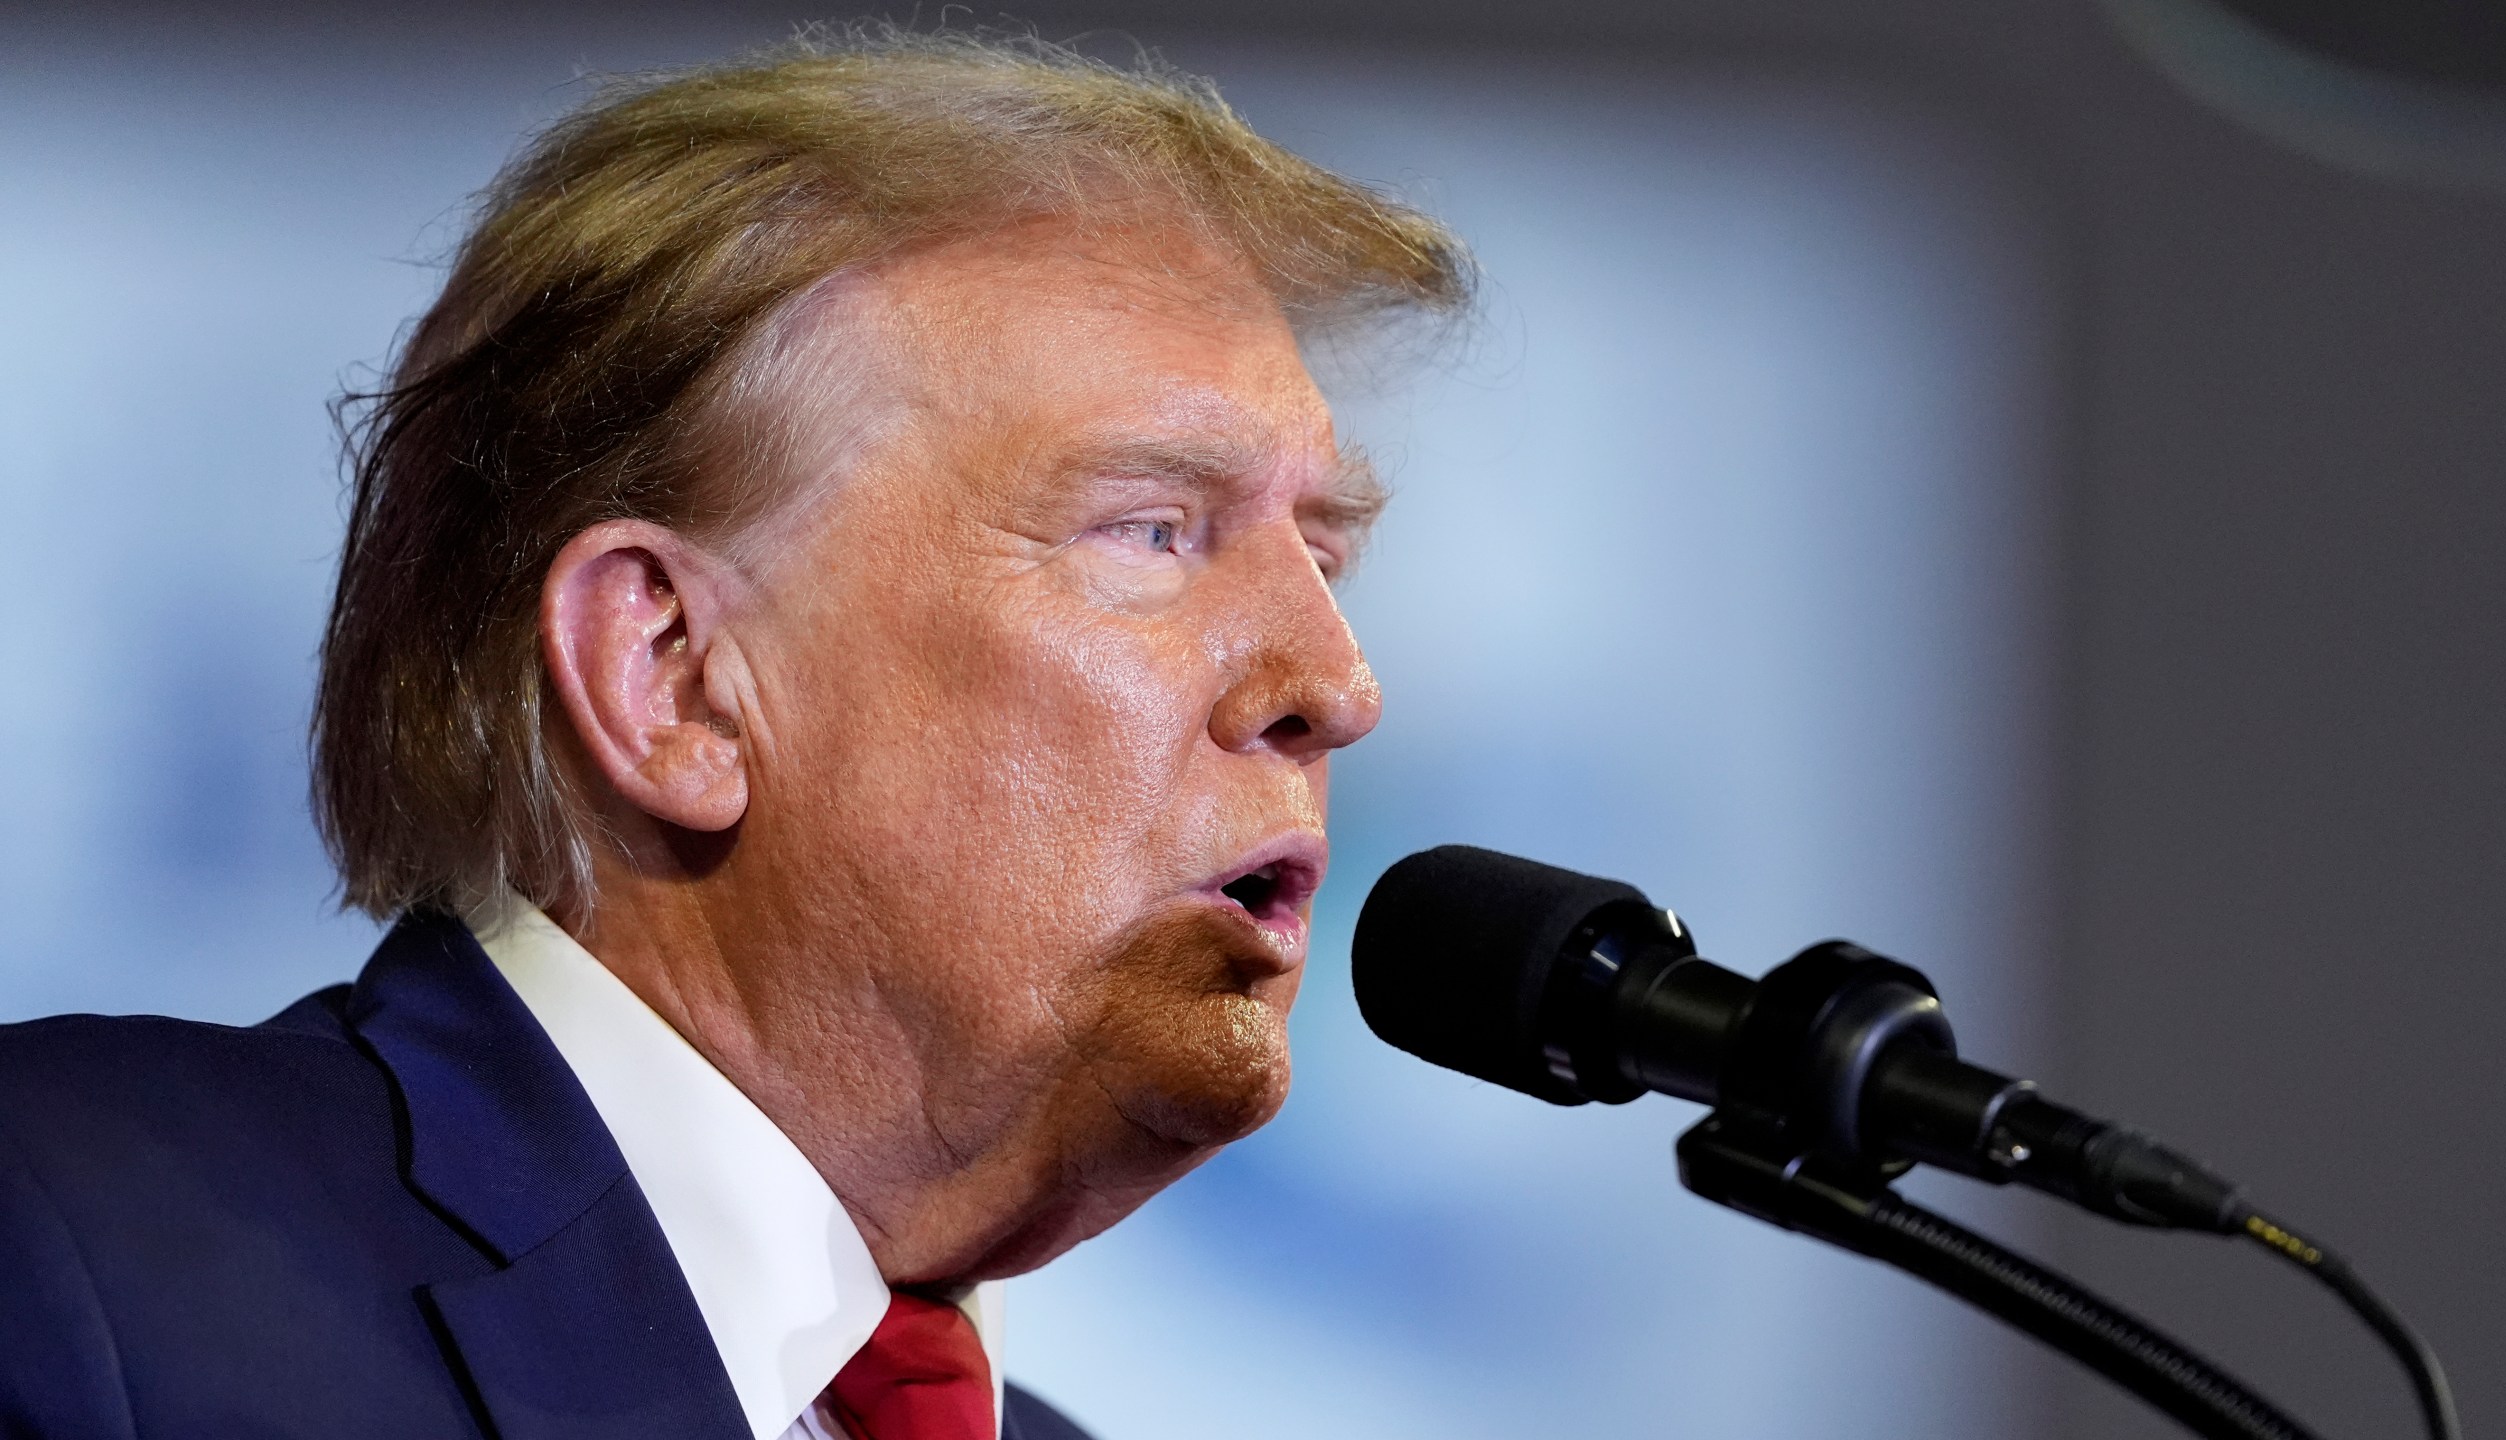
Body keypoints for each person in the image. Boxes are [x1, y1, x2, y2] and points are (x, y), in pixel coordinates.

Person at [0, 30, 1469, 1440]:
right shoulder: (74, 1247)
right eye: (1155, 531)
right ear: (676, 676)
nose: (1337, 687)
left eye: (1323, 559)